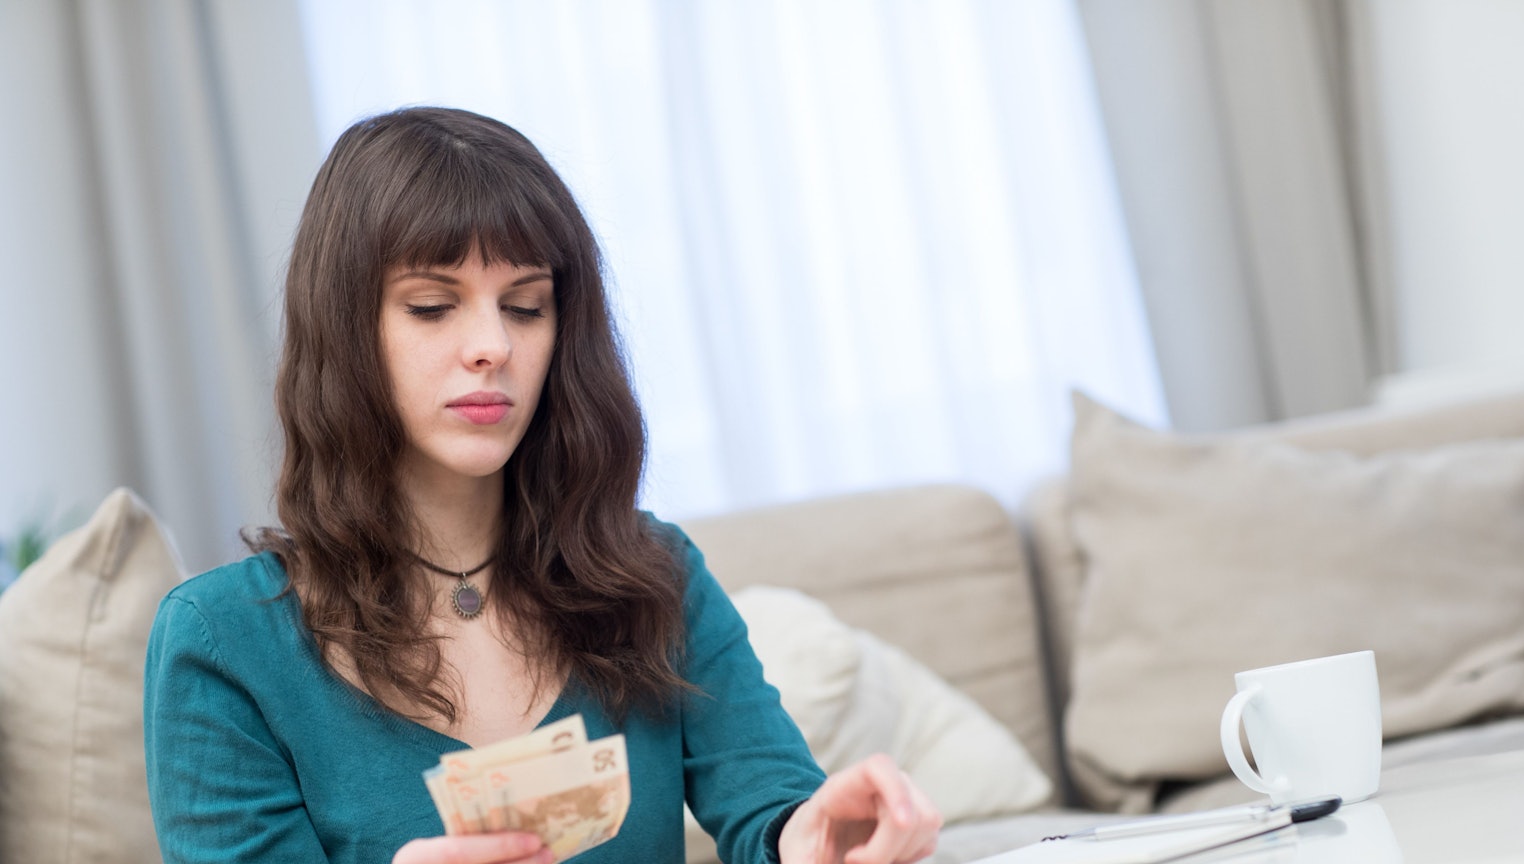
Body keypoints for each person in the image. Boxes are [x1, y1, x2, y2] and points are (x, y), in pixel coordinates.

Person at [142, 106, 942, 864]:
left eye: (525, 307)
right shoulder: (222, 646)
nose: (492, 345)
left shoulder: (655, 573)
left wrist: (813, 837)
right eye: (431, 306)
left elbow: (774, 809)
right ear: (345, 330)